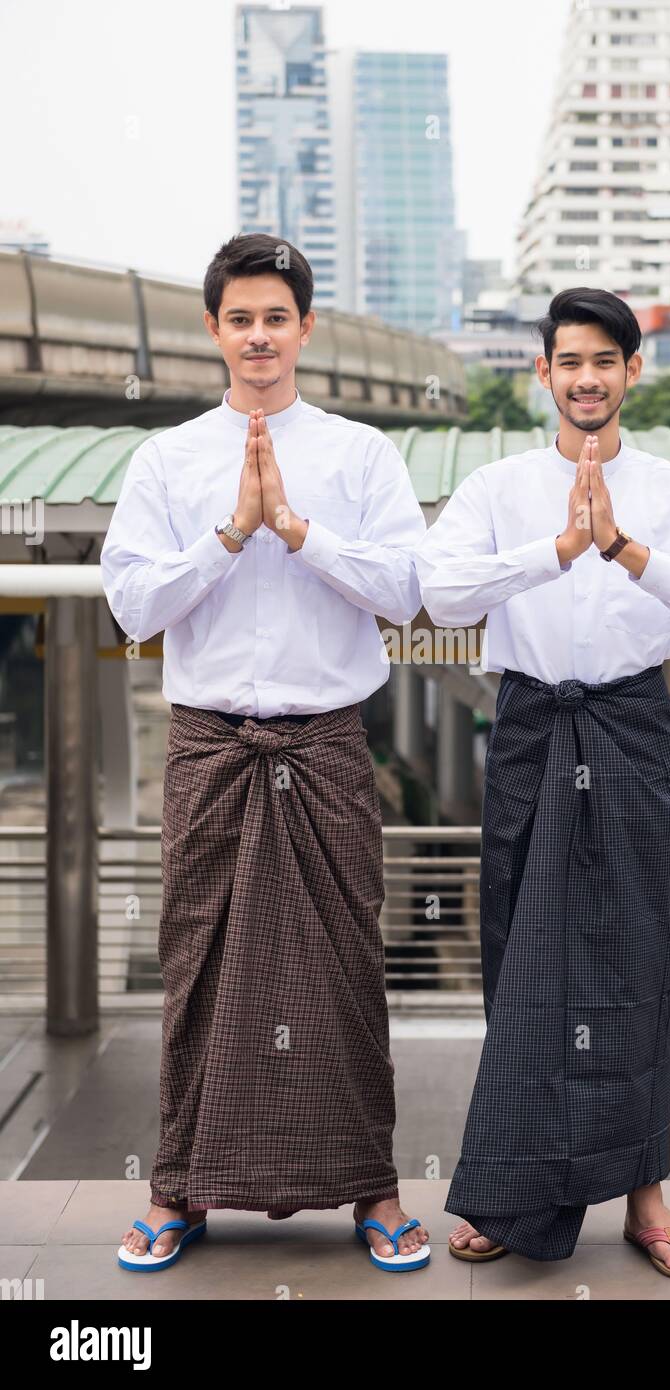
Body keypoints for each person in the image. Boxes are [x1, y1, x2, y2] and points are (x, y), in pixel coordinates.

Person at [101, 233, 431, 1273]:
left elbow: (405, 591)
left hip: (327, 745)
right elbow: (131, 602)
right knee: (196, 964)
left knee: (342, 969)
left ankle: (372, 1187)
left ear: (306, 328)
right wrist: (231, 533)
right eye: (239, 317)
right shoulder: (167, 458)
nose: (258, 336)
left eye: (275, 317)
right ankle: (179, 1186)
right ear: (214, 330)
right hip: (212, 747)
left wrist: (296, 527)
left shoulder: (360, 453)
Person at [413, 287, 670, 1272]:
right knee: (519, 951)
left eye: (606, 360)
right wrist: (557, 548)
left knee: (637, 961)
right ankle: (518, 1193)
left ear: (632, 372)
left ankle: (645, 1198)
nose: (588, 378)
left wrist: (625, 550)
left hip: (632, 726)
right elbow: (438, 592)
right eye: (570, 361)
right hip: (530, 725)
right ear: (544, 374)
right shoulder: (497, 488)